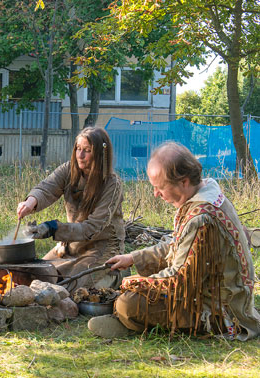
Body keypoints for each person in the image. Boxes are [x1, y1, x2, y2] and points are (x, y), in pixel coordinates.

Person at [89, 142, 260, 340]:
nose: (156, 194)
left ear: (184, 181)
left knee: (127, 303)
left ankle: (130, 322)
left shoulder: (201, 218)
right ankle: (131, 320)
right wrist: (133, 257)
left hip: (220, 310)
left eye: (160, 187)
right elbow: (176, 245)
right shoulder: (204, 193)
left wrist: (136, 283)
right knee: (142, 281)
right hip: (213, 290)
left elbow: (179, 279)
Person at [17, 127, 126, 291]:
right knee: (35, 275)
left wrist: (53, 228)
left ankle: (115, 276)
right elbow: (46, 188)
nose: (80, 155)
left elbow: (93, 227)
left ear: (100, 154)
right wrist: (30, 202)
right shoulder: (68, 170)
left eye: (87, 151)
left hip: (101, 248)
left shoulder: (112, 184)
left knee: (71, 287)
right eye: (78, 149)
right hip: (71, 245)